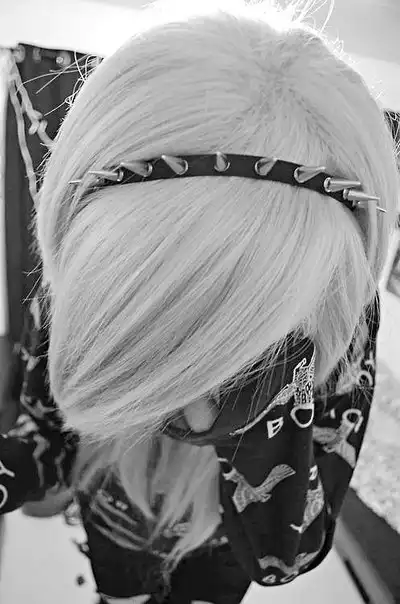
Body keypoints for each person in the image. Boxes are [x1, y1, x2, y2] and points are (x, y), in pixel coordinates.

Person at [0, 1, 399, 602]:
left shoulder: (345, 319)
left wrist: (270, 393)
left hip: (223, 545)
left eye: (250, 360)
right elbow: (50, 426)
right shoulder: (82, 281)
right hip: (112, 514)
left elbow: (286, 548)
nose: (197, 416)